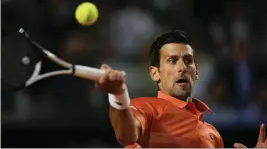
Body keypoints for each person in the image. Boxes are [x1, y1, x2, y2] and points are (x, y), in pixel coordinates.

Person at [96, 30, 267, 148]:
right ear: (155, 73)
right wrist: (118, 96)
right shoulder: (145, 109)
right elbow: (127, 135)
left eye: (187, 60)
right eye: (172, 60)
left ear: (197, 71)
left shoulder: (212, 134)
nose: (182, 68)